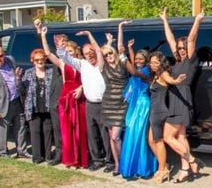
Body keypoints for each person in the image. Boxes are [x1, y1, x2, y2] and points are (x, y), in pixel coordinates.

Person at [46, 26, 110, 172]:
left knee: (105, 134)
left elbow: (99, 51)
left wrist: (89, 35)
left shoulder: (101, 65)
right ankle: (97, 160)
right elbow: (66, 58)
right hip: (89, 104)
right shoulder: (82, 65)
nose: (89, 55)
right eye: (87, 53)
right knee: (92, 134)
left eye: (91, 52)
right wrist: (60, 48)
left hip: (103, 104)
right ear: (84, 54)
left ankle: (110, 161)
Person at [159, 7, 205, 182]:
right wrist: (164, 20)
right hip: (175, 100)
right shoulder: (177, 62)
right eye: (179, 48)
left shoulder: (190, 62)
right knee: (180, 136)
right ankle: (185, 169)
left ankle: (192, 160)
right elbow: (170, 39)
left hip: (182, 101)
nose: (181, 50)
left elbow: (192, 38)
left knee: (167, 137)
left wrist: (197, 20)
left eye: (184, 47)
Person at [37, 21, 90, 169]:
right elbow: (47, 53)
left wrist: (81, 88)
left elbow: (89, 79)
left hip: (79, 96)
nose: (68, 53)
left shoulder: (82, 63)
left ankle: (81, 158)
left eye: (70, 51)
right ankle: (70, 159)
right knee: (66, 130)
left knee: (80, 129)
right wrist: (43, 35)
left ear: (76, 51)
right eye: (66, 51)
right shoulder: (62, 64)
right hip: (66, 97)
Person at [118, 20, 159, 179]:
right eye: (137, 58)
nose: (139, 60)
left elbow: (135, 72)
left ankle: (144, 168)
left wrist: (123, 56)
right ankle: (133, 167)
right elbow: (133, 63)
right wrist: (128, 49)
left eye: (142, 58)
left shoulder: (146, 72)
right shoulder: (138, 66)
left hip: (143, 105)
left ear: (147, 61)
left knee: (139, 135)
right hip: (134, 105)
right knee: (130, 133)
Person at [147, 51, 187, 183]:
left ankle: (162, 169)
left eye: (156, 63)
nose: (153, 65)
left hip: (159, 112)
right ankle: (164, 164)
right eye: (151, 62)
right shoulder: (154, 75)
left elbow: (170, 80)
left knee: (159, 141)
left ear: (161, 63)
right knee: (151, 140)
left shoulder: (163, 74)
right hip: (154, 111)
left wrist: (176, 81)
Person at [100, 29, 132, 175]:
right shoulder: (104, 67)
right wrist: (106, 43)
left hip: (121, 104)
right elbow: (99, 51)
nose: (109, 56)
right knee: (111, 137)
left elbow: (120, 46)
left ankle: (125, 162)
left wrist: (120, 27)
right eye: (106, 55)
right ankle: (117, 164)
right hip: (107, 104)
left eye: (110, 53)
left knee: (116, 136)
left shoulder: (122, 63)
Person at [20, 48, 55, 164]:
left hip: (47, 107)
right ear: (32, 61)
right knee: (35, 132)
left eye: (42, 59)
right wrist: (17, 79)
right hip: (33, 107)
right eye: (37, 60)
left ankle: (48, 155)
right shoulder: (28, 73)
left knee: (48, 132)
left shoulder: (51, 71)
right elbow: (21, 90)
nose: (40, 62)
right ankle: (37, 156)